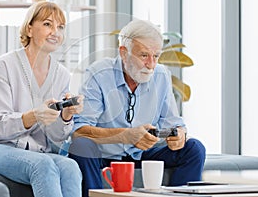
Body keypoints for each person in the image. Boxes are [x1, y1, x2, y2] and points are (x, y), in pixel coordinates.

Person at [68, 19, 206, 197]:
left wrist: (179, 135)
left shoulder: (162, 75)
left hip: (144, 155)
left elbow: (175, 123)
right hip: (105, 156)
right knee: (82, 146)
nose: (151, 64)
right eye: (144, 55)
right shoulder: (99, 74)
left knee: (194, 148)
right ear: (124, 53)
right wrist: (126, 135)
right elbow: (79, 131)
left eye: (156, 56)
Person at [0, 1, 84, 197]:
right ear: (29, 29)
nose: (55, 32)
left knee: (70, 166)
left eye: (60, 27)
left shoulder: (62, 74)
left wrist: (65, 117)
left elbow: (56, 137)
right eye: (48, 24)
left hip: (35, 152)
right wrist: (33, 116)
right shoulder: (5, 65)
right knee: (43, 164)